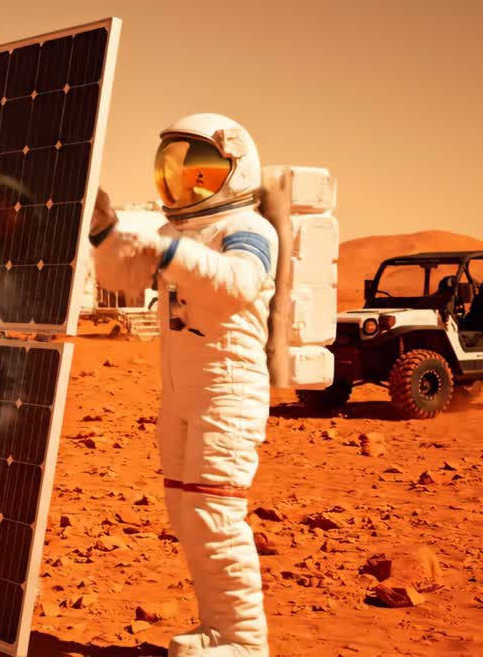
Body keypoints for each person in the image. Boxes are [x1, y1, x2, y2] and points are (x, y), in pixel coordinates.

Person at [88, 113, 277, 657]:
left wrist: (170, 252)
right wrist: (105, 230)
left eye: (199, 171)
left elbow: (237, 285)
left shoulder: (247, 230)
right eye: (175, 170)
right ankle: (219, 628)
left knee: (216, 514)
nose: (185, 182)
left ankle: (245, 640)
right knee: (189, 515)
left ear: (234, 168)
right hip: (181, 392)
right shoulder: (180, 234)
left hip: (228, 390)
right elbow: (118, 278)